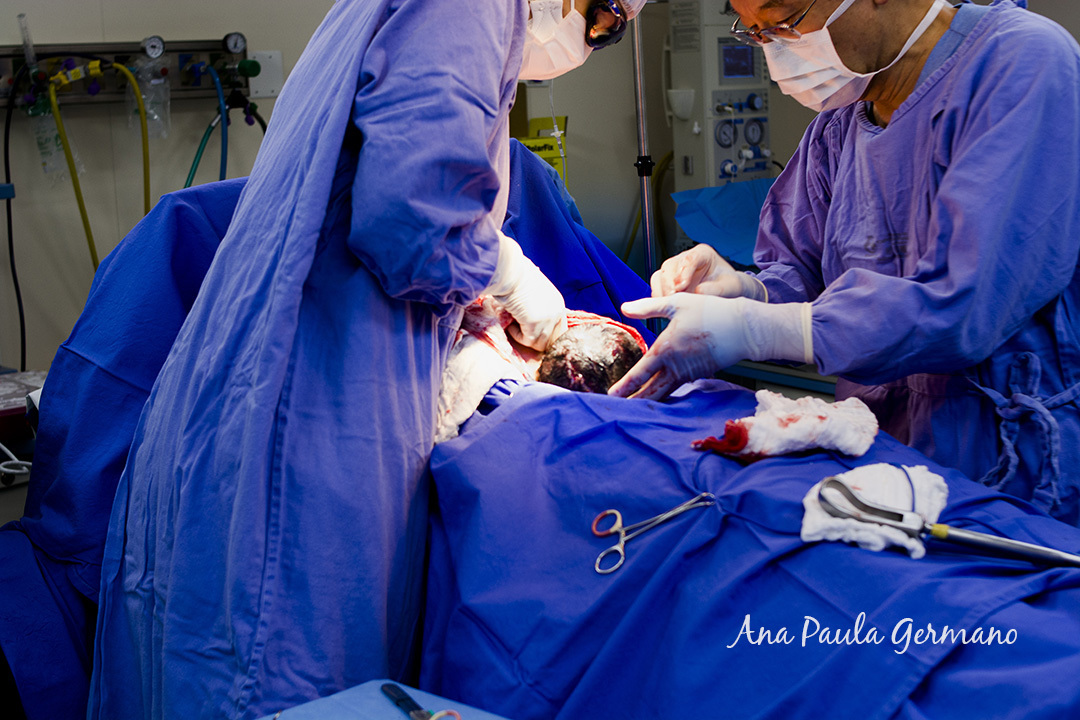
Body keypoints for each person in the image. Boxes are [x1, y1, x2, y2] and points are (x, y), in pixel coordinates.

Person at [86, 0, 645, 718]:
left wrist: (474, 291)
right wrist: (499, 270)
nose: (591, 39)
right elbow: (415, 223)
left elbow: (380, 194)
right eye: (601, 18)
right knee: (286, 681)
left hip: (262, 403)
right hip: (304, 432)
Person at [610, 0, 1080, 528]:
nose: (777, 49)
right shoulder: (842, 119)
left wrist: (759, 330)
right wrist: (744, 290)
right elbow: (801, 272)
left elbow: (963, 305)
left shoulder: (1019, 63)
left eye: (785, 19)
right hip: (881, 457)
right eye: (757, 32)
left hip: (1008, 461)